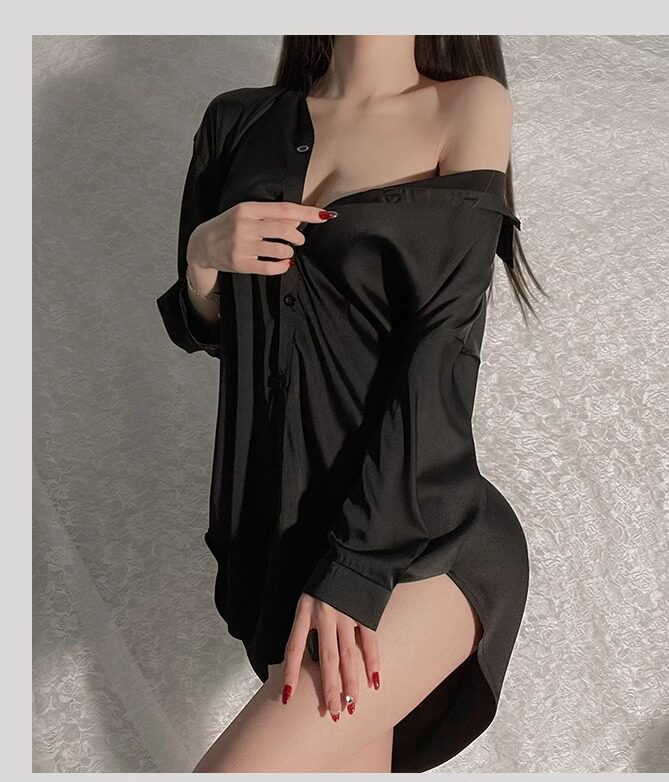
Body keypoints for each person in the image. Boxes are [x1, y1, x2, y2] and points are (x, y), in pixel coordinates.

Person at [156, 34, 543, 774]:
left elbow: (442, 352)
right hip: (282, 553)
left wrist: (357, 568)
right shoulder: (236, 121)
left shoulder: (469, 107)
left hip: (418, 542)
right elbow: (214, 332)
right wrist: (203, 257)